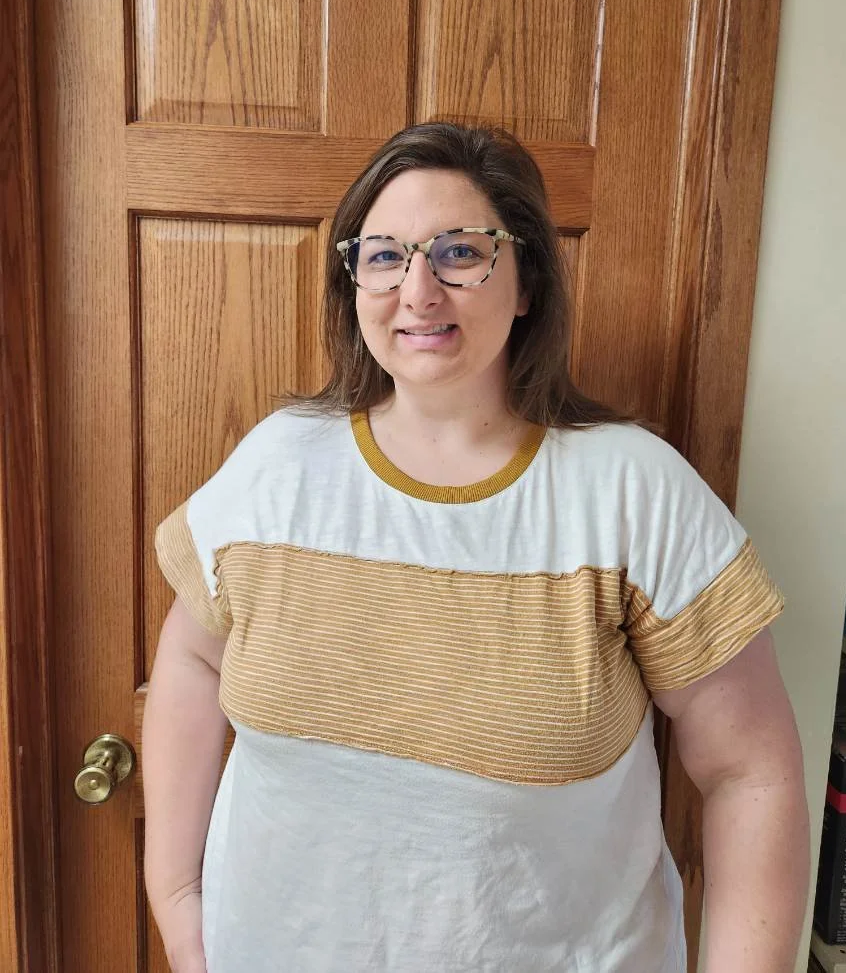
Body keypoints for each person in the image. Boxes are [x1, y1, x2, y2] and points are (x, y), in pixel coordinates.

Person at [143, 122, 809, 973]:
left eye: (460, 251)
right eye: (383, 255)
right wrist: (177, 900)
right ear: (353, 280)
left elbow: (750, 769)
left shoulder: (633, 492)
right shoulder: (276, 465)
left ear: (526, 279)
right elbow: (191, 662)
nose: (418, 290)